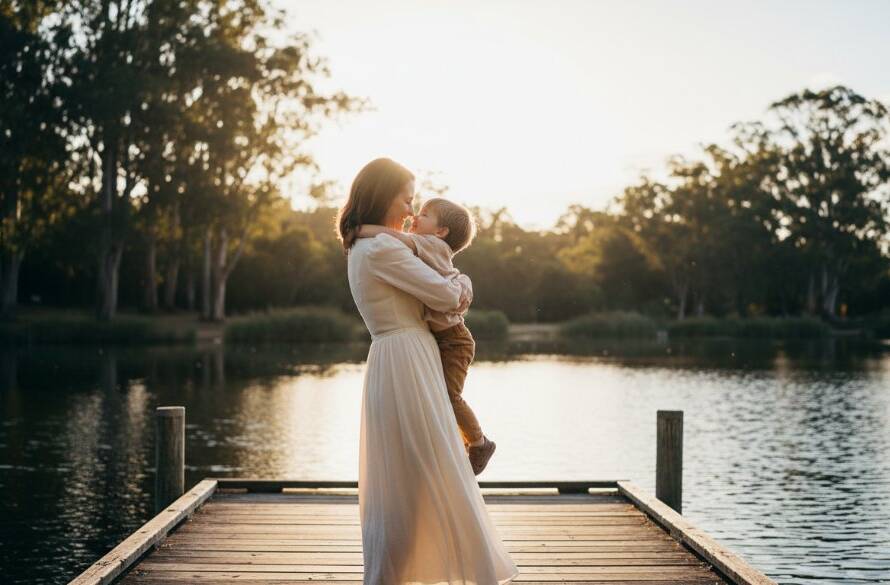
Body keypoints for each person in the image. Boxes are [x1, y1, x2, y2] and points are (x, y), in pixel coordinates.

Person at [337, 157, 519, 584]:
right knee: (421, 468)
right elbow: (444, 295)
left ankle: (412, 570)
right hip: (406, 358)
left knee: (412, 469)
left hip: (399, 356)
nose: (409, 208)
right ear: (383, 196)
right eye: (406, 198)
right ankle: (414, 571)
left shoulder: (370, 243)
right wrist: (464, 285)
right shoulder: (380, 249)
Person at [354, 197, 497, 475]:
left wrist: (359, 230)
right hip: (446, 338)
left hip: (454, 340)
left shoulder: (430, 245)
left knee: (448, 396)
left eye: (424, 214)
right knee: (439, 397)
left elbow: (391, 236)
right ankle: (456, 446)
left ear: (440, 232)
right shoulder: (430, 246)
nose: (415, 217)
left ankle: (480, 443)